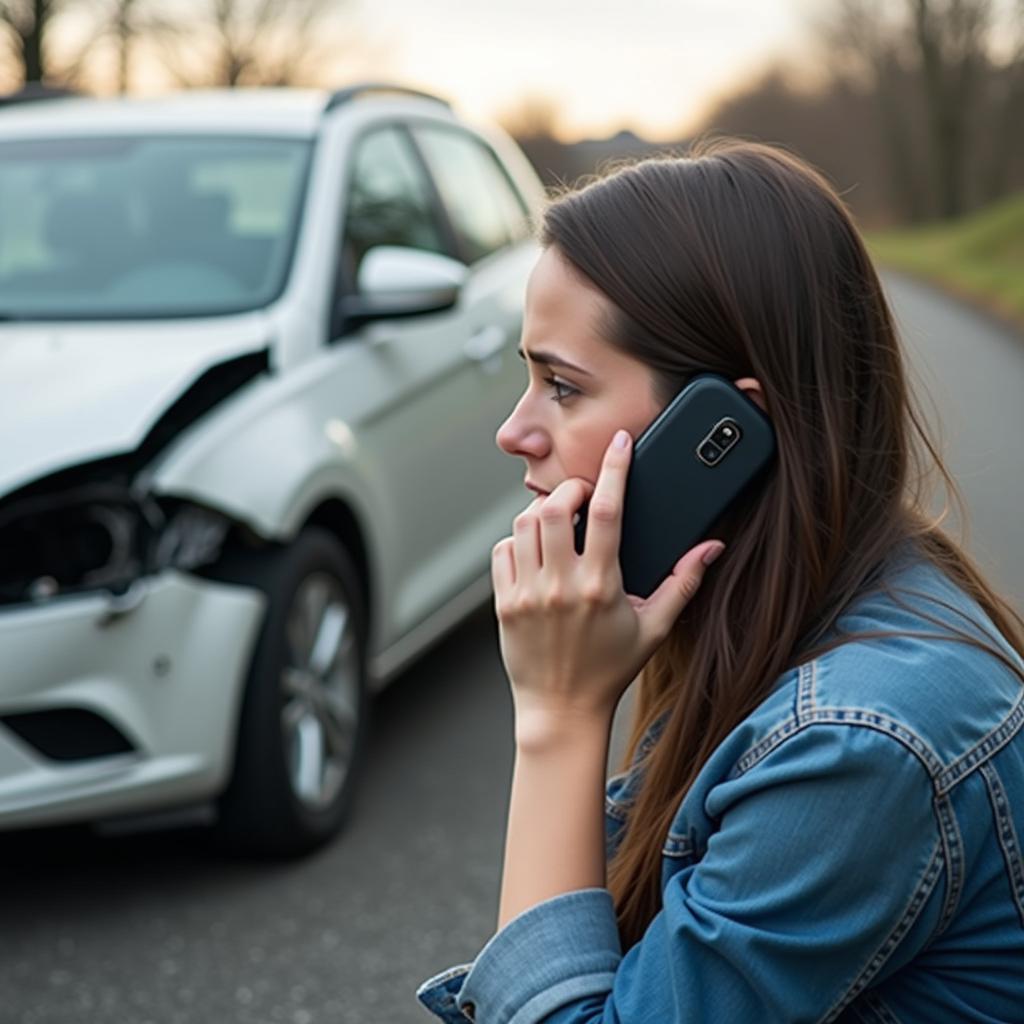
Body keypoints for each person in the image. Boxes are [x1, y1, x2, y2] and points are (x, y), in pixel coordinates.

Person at [415, 137, 1024, 1023]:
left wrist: (558, 718)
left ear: (726, 431)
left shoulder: (859, 744)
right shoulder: (800, 599)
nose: (516, 430)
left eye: (564, 386)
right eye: (528, 375)